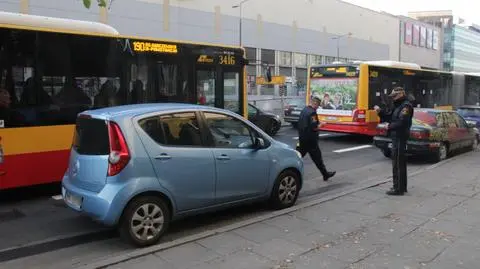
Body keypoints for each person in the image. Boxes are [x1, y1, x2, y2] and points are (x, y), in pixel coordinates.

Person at [374, 87, 413, 196]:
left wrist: (389, 127)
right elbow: (390, 116)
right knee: (398, 162)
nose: (393, 99)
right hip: (396, 136)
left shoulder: (406, 106)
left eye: (395, 96)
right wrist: (380, 112)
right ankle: (401, 187)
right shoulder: (398, 106)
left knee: (398, 163)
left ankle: (398, 189)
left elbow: (402, 122)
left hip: (400, 136)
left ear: (401, 94)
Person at [297, 94, 336, 181]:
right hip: (311, 140)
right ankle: (325, 174)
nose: (318, 107)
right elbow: (314, 126)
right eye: (318, 105)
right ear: (315, 103)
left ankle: (325, 174)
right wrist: (322, 124)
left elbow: (305, 123)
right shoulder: (312, 112)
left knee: (297, 156)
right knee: (317, 158)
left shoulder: (304, 110)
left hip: (302, 138)